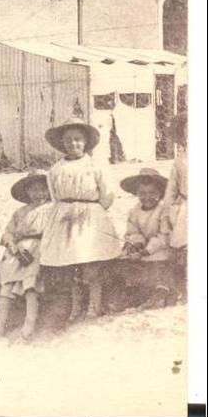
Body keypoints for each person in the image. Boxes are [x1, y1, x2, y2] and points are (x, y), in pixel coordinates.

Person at [39, 118, 122, 322]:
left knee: (90, 263)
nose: (73, 144)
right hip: (64, 218)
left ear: (85, 142)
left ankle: (94, 306)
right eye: (68, 140)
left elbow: (107, 194)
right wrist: (64, 211)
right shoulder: (56, 169)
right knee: (71, 266)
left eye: (77, 139)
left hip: (90, 217)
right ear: (62, 143)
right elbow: (54, 195)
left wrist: (93, 212)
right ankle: (76, 308)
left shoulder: (95, 165)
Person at [0, 170, 50, 340]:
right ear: (27, 192)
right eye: (33, 190)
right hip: (17, 252)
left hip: (39, 250)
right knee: (7, 286)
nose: (38, 194)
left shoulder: (51, 210)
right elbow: (8, 232)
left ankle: (29, 325)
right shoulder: (20, 212)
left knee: (30, 286)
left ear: (49, 191)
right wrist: (11, 244)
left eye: (42, 190)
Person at [120, 168, 173, 308]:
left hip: (160, 248)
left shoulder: (164, 211)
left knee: (156, 265)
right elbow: (132, 231)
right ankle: (136, 292)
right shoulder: (134, 212)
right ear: (136, 193)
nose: (147, 197)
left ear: (160, 193)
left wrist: (147, 250)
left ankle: (160, 293)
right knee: (126, 260)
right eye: (142, 193)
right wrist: (137, 244)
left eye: (152, 193)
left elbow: (165, 235)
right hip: (142, 248)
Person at [160, 112, 187, 301]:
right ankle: (185, 289)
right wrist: (167, 212)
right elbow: (171, 190)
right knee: (185, 249)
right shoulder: (180, 161)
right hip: (189, 208)